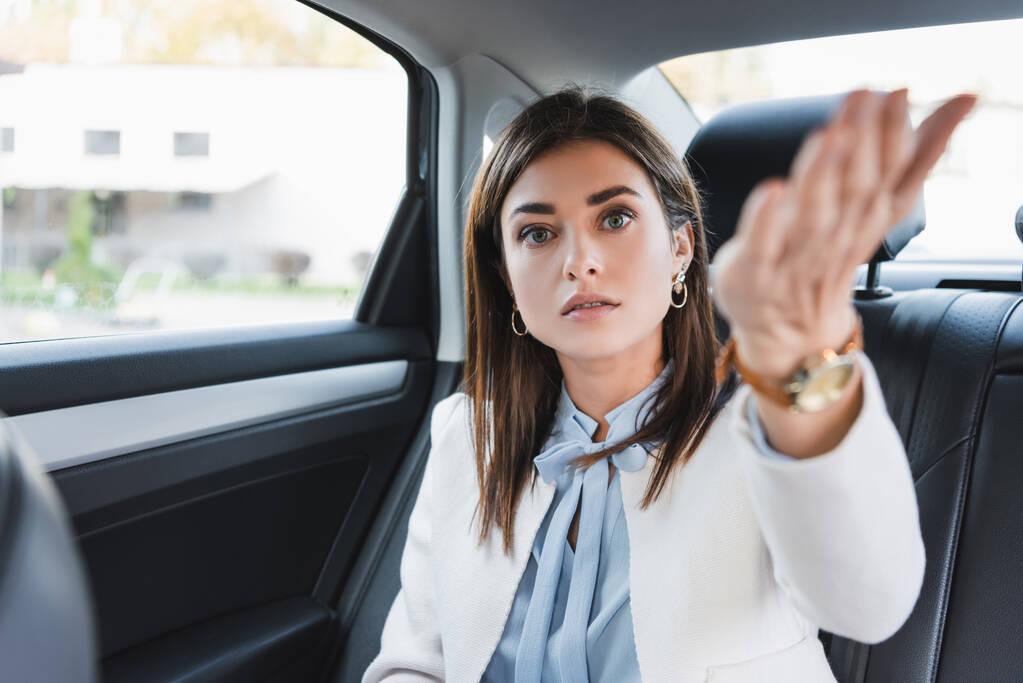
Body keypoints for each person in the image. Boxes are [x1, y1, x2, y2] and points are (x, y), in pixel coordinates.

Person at [363, 85, 976, 682]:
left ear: (680, 247)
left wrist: (797, 366)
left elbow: (868, 604)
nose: (581, 260)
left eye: (616, 217)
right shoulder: (465, 438)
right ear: (506, 277)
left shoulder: (764, 439)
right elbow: (417, 662)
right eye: (538, 233)